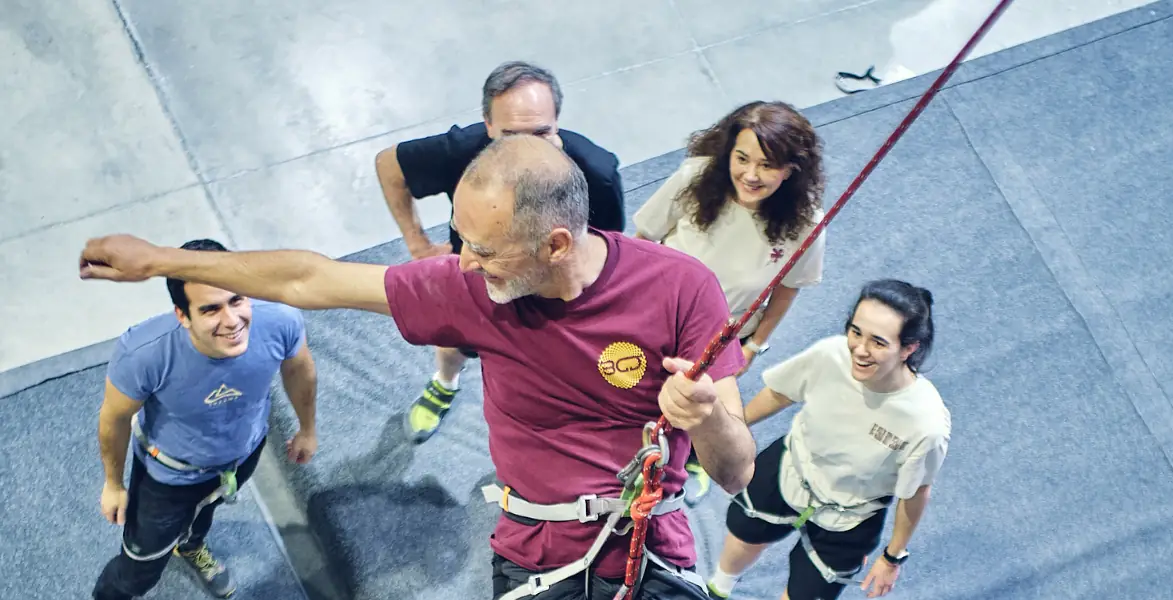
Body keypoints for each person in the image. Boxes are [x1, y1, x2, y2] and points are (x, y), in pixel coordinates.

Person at [80, 135, 757, 600]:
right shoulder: (472, 289)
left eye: (485, 250)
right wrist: (165, 260)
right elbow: (308, 279)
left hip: (647, 541)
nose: (463, 264)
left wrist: (705, 420)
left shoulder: (679, 289)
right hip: (536, 550)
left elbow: (734, 472)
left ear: (554, 244)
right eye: (463, 242)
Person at [375, 60, 627, 444]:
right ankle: (445, 382)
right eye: (511, 135)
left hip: (549, 293)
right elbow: (389, 165)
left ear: (557, 123)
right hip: (476, 274)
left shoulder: (597, 171)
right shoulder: (462, 150)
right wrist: (417, 243)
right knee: (453, 339)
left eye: (541, 132)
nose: (528, 150)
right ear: (487, 124)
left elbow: (608, 250)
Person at [90, 238, 319, 600]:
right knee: (137, 570)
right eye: (211, 309)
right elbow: (113, 419)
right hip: (167, 478)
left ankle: (191, 545)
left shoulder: (280, 319)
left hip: (242, 456)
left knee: (206, 512)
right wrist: (113, 484)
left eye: (237, 299)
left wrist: (307, 429)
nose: (232, 321)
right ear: (183, 315)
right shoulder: (144, 353)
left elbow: (300, 369)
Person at [704, 279, 950, 600]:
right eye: (856, 331)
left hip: (850, 518)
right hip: (788, 469)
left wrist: (892, 557)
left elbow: (915, 493)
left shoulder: (925, 423)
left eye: (878, 342)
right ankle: (719, 588)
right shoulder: (830, 354)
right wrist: (731, 427)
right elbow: (780, 393)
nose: (860, 350)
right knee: (743, 535)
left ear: (909, 348)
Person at [633, 100, 827, 506]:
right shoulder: (696, 177)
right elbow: (641, 242)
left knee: (704, 416)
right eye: (742, 159)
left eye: (767, 165)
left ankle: (690, 465)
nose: (751, 175)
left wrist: (754, 346)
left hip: (718, 341)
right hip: (653, 314)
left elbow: (786, 289)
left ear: (791, 169)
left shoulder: (805, 223)